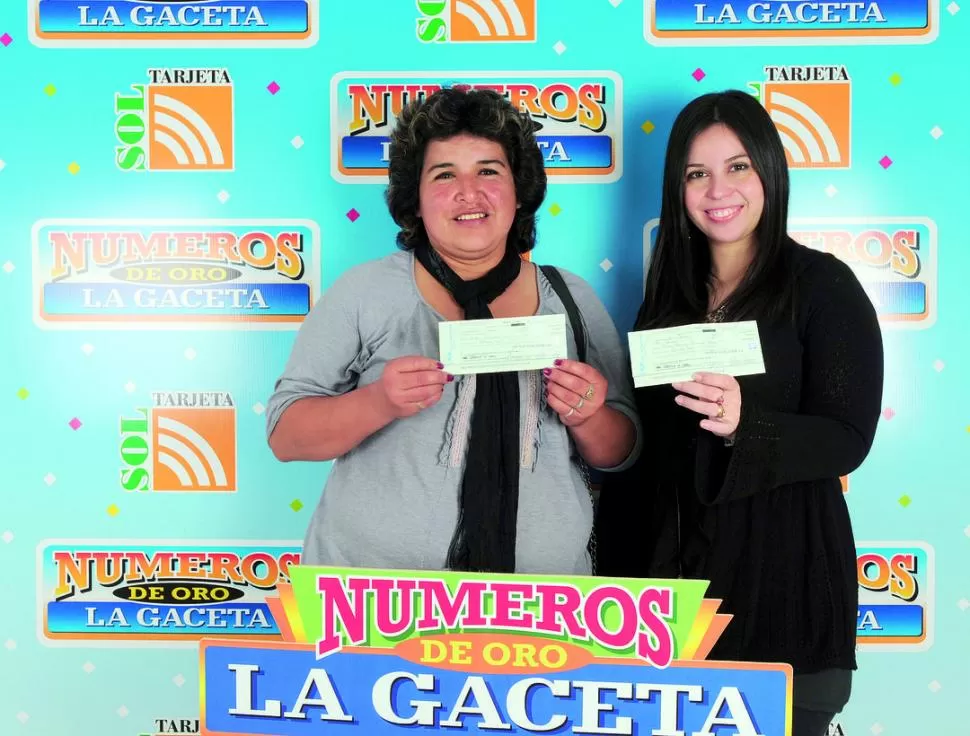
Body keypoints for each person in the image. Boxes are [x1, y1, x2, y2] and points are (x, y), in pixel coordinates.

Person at [594, 90, 884, 736]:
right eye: (697, 173)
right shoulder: (665, 301)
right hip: (673, 608)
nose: (717, 189)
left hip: (785, 594)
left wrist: (745, 422)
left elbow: (847, 437)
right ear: (678, 188)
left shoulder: (822, 285)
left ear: (769, 172)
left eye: (737, 166)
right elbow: (648, 457)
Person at [266, 87, 641, 575]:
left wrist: (588, 415)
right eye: (445, 174)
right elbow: (285, 436)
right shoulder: (365, 291)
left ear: (518, 189)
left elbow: (623, 452)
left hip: (542, 612)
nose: (469, 191)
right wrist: (379, 401)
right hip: (372, 604)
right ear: (415, 200)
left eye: (489, 170)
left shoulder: (569, 298)